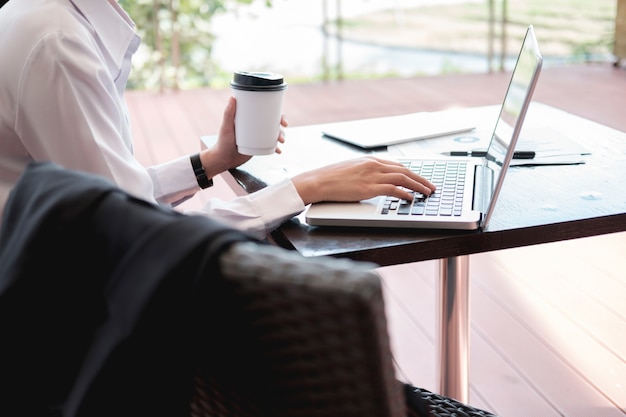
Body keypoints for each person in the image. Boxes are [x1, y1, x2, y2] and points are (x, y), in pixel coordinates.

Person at [0, 0, 435, 240]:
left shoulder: (49, 18)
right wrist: (304, 188)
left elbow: (115, 195)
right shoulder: (57, 42)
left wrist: (212, 161)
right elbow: (136, 234)